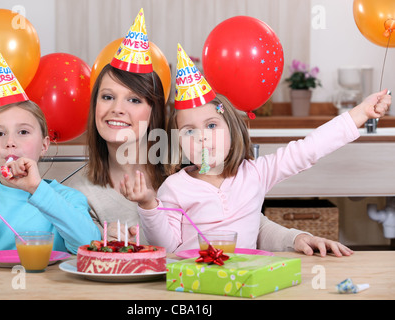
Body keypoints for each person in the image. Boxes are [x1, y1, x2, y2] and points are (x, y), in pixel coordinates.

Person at [120, 44, 391, 256]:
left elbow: (309, 149)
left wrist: (359, 113)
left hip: (246, 281)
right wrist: (148, 204)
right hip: (194, 284)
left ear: (232, 129)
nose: (202, 137)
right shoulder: (174, 188)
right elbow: (166, 247)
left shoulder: (255, 173)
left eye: (212, 125)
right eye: (189, 130)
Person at [0, 46, 99, 254]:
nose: (10, 142)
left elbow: (89, 244)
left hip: (50, 287)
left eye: (23, 132)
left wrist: (37, 188)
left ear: (44, 145)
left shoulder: (68, 199)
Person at [67, 9, 167, 243]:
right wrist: (98, 239)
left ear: (154, 112)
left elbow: (250, 222)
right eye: (108, 97)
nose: (117, 109)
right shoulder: (81, 194)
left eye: (134, 100)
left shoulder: (183, 179)